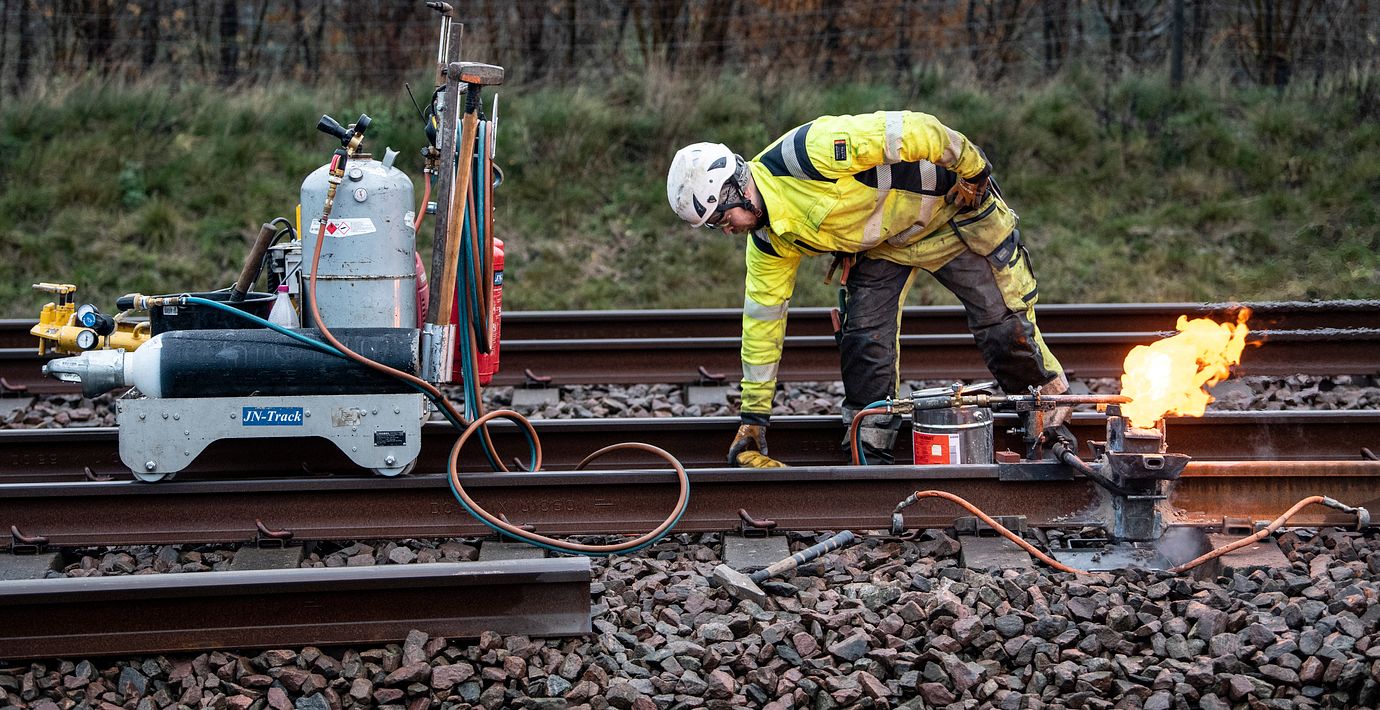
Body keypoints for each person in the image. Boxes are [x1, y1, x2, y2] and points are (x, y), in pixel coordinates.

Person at [666, 111, 1068, 466]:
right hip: (887, 245)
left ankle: (1048, 425)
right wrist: (754, 418)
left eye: (722, 218)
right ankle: (870, 453)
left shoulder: (810, 152)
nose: (727, 230)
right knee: (864, 339)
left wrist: (974, 169)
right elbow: (762, 324)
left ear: (736, 188)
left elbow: (912, 129)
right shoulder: (769, 240)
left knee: (1002, 326)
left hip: (952, 215)